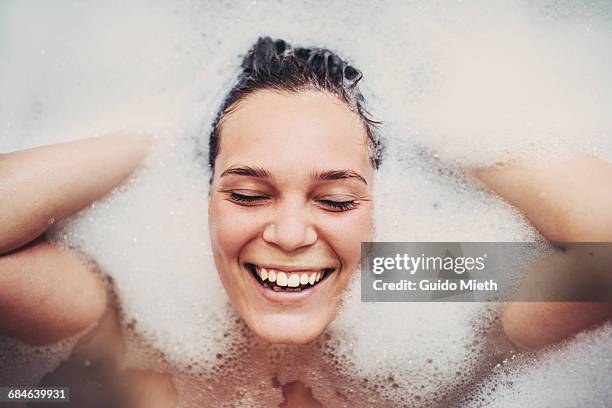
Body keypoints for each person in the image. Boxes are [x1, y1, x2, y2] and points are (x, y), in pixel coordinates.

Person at [0, 37, 610, 405]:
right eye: (246, 194)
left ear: (382, 206)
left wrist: (450, 140)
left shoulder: (417, 284)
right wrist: (148, 144)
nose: (290, 236)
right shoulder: (132, 320)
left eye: (337, 201)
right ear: (202, 196)